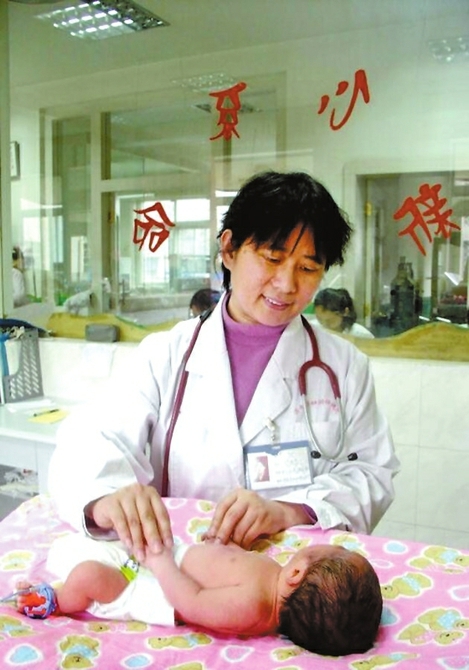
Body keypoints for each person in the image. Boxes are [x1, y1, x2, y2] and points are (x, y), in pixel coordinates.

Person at [48, 170, 399, 562]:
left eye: (307, 268)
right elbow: (92, 440)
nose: (286, 284)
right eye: (273, 258)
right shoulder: (166, 354)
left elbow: (372, 472)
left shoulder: (344, 367)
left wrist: (291, 510)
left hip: (290, 574)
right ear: (229, 249)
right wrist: (107, 498)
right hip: (184, 567)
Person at [14, 532, 382, 656]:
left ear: (297, 574)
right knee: (98, 540)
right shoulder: (271, 579)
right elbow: (233, 568)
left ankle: (55, 599)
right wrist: (224, 548)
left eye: (336, 549)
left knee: (89, 576)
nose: (332, 542)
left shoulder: (254, 607)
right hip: (161, 567)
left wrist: (160, 562)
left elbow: (192, 602)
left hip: (151, 589)